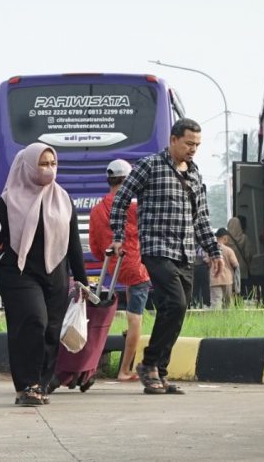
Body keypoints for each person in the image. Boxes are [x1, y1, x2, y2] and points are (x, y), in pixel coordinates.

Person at [109, 118, 222, 395]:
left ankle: (160, 370)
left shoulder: (195, 175)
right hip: (157, 249)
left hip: (185, 251)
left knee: (178, 309)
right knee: (175, 300)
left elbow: (202, 219)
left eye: (197, 145)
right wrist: (118, 235)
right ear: (173, 140)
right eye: (188, 143)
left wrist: (213, 251)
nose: (193, 149)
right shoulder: (150, 165)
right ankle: (148, 364)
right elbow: (121, 199)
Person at [0, 143, 88, 407]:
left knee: (51, 329)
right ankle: (26, 385)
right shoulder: (8, 201)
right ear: (28, 166)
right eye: (43, 164)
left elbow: (73, 242)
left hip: (55, 273)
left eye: (53, 164)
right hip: (18, 273)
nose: (49, 169)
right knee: (34, 321)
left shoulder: (63, 198)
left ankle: (42, 383)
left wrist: (82, 280)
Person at [87, 159, 151, 382]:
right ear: (128, 181)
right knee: (135, 319)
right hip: (137, 268)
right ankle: (124, 370)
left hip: (113, 268)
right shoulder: (135, 208)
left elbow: (96, 249)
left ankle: (89, 363)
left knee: (103, 314)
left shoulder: (96, 211)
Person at [211, 228, 240, 310]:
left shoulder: (210, 250)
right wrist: (237, 283)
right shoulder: (229, 250)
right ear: (225, 238)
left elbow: (207, 262)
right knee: (228, 303)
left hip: (214, 280)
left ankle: (215, 320)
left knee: (216, 302)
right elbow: (236, 265)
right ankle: (228, 320)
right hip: (227, 280)